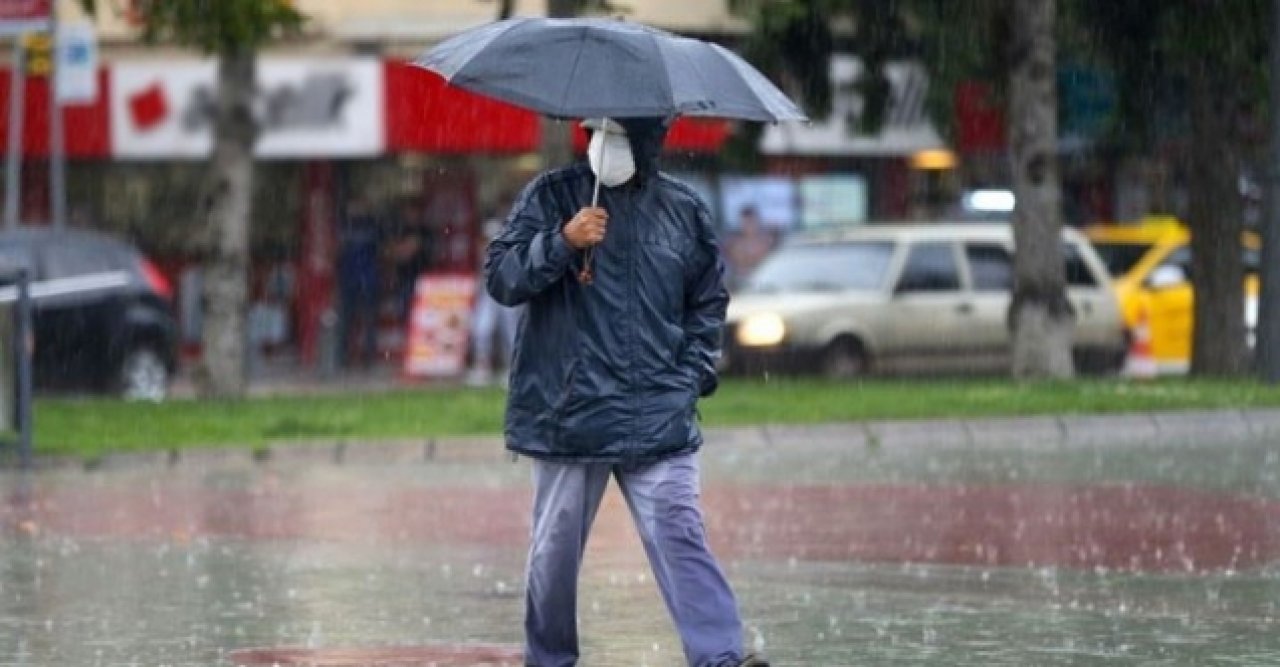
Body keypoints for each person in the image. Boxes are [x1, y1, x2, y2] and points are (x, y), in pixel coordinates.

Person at [486, 116, 768, 667]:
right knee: (554, 553)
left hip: (658, 411)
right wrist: (562, 241)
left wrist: (688, 376)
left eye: (617, 134)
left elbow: (707, 301)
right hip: (569, 413)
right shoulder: (550, 197)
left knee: (680, 531)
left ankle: (719, 657)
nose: (603, 145)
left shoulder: (682, 210)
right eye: (594, 131)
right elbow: (502, 278)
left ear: (648, 139)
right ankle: (549, 658)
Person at [466, 215, 522, 387]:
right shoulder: (482, 254)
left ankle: (513, 370)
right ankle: (482, 368)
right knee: (481, 329)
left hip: (508, 295)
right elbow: (480, 278)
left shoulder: (511, 251)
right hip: (488, 295)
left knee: (511, 333)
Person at [336, 196, 382, 368]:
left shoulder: (367, 227)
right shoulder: (350, 227)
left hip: (363, 278)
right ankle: (347, 356)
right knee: (350, 320)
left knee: (364, 319)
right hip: (355, 278)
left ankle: (364, 356)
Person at [724, 205, 776, 289]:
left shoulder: (766, 242)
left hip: (766, 281)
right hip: (741, 283)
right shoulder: (735, 243)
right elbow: (734, 265)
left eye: (751, 222)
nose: (749, 226)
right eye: (746, 222)